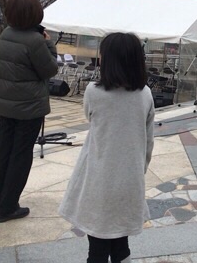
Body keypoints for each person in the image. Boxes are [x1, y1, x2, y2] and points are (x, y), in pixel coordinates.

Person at [59, 33, 155, 263]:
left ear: (108, 60)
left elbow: (90, 117)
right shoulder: (145, 94)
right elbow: (148, 141)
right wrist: (138, 169)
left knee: (97, 246)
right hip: (130, 178)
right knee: (121, 243)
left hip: (99, 179)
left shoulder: (93, 92)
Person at [0, 0, 59, 223]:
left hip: (6, 105)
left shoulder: (6, 34)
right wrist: (49, 43)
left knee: (4, 152)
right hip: (29, 107)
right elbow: (50, 69)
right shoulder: (35, 41)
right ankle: (8, 207)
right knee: (20, 155)